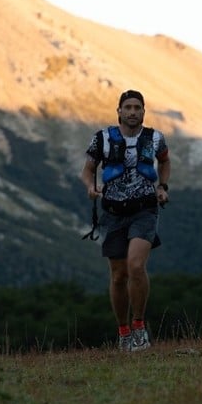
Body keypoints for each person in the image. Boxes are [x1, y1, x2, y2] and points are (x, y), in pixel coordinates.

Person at [80, 89, 171, 352]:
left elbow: (165, 162)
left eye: (137, 107)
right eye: (128, 107)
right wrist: (90, 187)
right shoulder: (102, 139)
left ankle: (139, 326)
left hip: (145, 209)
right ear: (118, 111)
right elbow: (88, 170)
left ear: (144, 111)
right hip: (113, 213)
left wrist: (163, 186)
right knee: (118, 275)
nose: (133, 112)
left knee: (135, 265)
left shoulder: (155, 138)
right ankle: (123, 332)